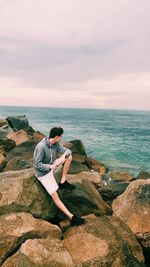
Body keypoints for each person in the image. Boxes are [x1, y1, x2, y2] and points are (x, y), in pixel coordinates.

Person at [33, 126, 85, 226]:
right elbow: (37, 165)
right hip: (43, 174)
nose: (61, 138)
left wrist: (62, 157)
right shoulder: (41, 147)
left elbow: (68, 151)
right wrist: (50, 166)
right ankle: (72, 217)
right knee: (54, 195)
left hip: (53, 167)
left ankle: (62, 182)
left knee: (69, 157)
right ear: (57, 136)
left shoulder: (55, 143)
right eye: (60, 136)